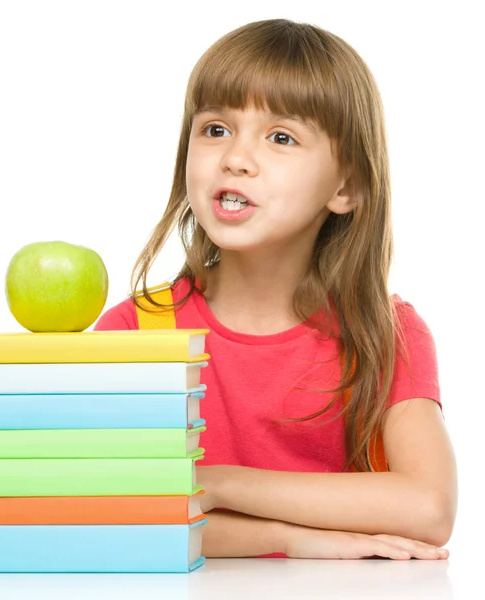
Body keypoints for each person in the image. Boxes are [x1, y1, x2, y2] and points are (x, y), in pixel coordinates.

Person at [94, 18, 457, 560]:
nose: (235, 158)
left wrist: (215, 484)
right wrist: (290, 539)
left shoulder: (386, 333)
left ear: (346, 186)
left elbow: (428, 508)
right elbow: (112, 516)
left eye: (281, 137)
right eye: (215, 128)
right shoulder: (133, 334)